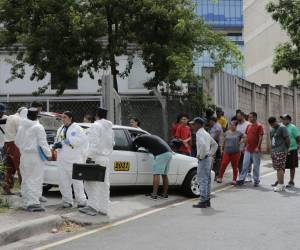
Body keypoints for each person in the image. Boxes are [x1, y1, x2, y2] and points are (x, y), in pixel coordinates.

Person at [15, 108, 52, 211]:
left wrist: (24, 149)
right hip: (35, 156)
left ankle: (26, 201)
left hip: (24, 156)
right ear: (37, 116)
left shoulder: (22, 127)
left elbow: (17, 142)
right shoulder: (38, 127)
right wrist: (48, 154)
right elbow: (43, 143)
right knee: (35, 179)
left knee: (26, 178)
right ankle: (33, 203)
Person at [79, 108, 114, 216]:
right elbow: (112, 143)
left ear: (96, 115)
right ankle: (104, 208)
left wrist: (89, 157)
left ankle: (93, 207)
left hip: (95, 158)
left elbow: (93, 144)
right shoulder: (109, 128)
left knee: (90, 183)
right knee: (104, 184)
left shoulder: (96, 126)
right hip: (105, 158)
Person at [54, 111, 87, 208]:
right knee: (63, 181)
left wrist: (68, 141)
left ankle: (81, 201)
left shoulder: (77, 128)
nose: (63, 119)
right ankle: (67, 200)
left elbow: (82, 141)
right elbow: (58, 140)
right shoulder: (60, 129)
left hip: (74, 159)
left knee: (77, 181)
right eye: (62, 118)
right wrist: (57, 145)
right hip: (62, 159)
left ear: (70, 118)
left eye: (65, 117)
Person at [133, 134, 173, 200]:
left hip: (161, 154)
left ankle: (154, 195)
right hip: (169, 153)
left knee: (156, 174)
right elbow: (149, 148)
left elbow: (134, 146)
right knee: (164, 174)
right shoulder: (149, 137)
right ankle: (164, 194)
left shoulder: (139, 138)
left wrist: (136, 146)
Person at [190, 117, 218, 208]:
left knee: (202, 180)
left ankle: (203, 201)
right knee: (207, 180)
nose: (193, 126)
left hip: (204, 159)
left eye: (194, 124)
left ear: (199, 124)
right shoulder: (206, 133)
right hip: (208, 158)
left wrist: (201, 156)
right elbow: (215, 144)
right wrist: (210, 154)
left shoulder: (199, 133)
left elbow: (202, 145)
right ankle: (207, 200)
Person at [2, 107, 26, 195]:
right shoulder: (19, 119)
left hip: (7, 144)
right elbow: (21, 133)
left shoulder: (10, 117)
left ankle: (6, 188)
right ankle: (24, 189)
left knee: (9, 168)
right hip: (14, 144)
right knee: (20, 167)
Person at [237, 112, 264, 187]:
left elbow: (261, 137)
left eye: (251, 117)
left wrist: (257, 147)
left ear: (255, 117)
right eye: (249, 117)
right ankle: (241, 179)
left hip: (255, 150)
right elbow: (246, 137)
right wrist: (243, 145)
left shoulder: (259, 126)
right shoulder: (248, 126)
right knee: (245, 165)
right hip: (247, 149)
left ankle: (256, 180)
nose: (249, 119)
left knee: (256, 166)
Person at [275, 114, 300, 188]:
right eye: (282, 119)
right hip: (282, 149)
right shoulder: (280, 127)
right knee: (281, 166)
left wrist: (298, 147)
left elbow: (298, 138)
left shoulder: (293, 127)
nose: (283, 120)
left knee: (292, 166)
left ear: (289, 120)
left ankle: (291, 181)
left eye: (285, 119)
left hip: (292, 149)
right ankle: (279, 180)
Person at [217, 120, 243, 184]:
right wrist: (221, 148)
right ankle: (220, 177)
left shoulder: (239, 133)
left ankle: (234, 179)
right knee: (223, 164)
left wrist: (241, 142)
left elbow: (245, 137)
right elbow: (223, 141)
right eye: (231, 125)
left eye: (233, 125)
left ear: (236, 126)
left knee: (234, 166)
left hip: (236, 152)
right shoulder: (226, 132)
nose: (231, 126)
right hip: (227, 151)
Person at [268, 117, 290, 192]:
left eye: (273, 123)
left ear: (276, 121)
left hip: (281, 151)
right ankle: (281, 185)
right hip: (274, 151)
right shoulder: (271, 130)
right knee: (278, 168)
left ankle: (281, 185)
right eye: (271, 125)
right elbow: (272, 141)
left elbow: (287, 139)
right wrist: (272, 151)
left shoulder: (282, 128)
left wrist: (287, 149)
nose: (273, 125)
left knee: (280, 168)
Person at [236, 111, 252, 181]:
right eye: (237, 116)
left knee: (247, 162)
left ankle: (248, 174)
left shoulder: (248, 124)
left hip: (247, 146)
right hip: (238, 147)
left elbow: (250, 136)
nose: (237, 117)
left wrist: (246, 145)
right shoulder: (237, 125)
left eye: (239, 116)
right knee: (239, 162)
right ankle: (241, 175)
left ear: (242, 116)